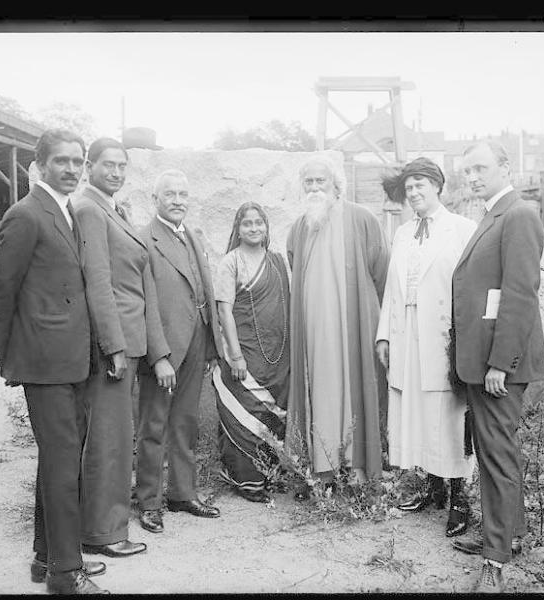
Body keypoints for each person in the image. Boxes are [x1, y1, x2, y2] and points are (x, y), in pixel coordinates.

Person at [0, 129, 109, 594]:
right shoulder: (26, 214)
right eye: (62, 161)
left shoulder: (66, 210)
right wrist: (8, 356)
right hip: (45, 365)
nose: (72, 169)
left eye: (78, 161)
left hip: (73, 362)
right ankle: (65, 573)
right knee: (61, 469)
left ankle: (45, 557)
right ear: (40, 165)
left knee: (58, 464)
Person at [451, 141, 544, 593]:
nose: (472, 176)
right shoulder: (492, 214)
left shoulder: (519, 214)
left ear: (506, 167)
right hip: (483, 362)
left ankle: (495, 560)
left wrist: (499, 366)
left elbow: (520, 296)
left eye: (481, 168)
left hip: (497, 367)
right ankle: (509, 534)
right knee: (494, 455)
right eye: (466, 170)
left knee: (497, 456)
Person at [73, 138, 172, 551]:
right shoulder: (89, 210)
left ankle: (103, 527)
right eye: (107, 165)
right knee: (108, 442)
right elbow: (97, 281)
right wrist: (113, 346)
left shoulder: (114, 210)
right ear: (89, 166)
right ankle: (102, 533)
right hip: (113, 346)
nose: (116, 172)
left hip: (132, 341)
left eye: (122, 166)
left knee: (116, 437)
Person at [376, 157, 477, 537]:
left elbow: (471, 287)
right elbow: (391, 288)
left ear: (438, 187)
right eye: (409, 188)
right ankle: (431, 488)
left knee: (447, 414)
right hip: (406, 333)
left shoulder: (463, 230)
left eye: (421, 185)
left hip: (443, 336)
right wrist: (384, 334)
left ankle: (459, 499)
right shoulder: (402, 233)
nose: (414, 193)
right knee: (416, 410)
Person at [286, 156, 390, 496]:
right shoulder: (299, 228)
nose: (315, 188)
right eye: (309, 183)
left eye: (321, 182)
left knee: (356, 391)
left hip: (354, 330)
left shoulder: (362, 219)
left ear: (337, 185)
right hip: (314, 334)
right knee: (319, 394)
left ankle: (357, 469)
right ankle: (324, 471)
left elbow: (380, 273)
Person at [135, 169, 225, 527]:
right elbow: (146, 302)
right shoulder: (145, 240)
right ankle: (149, 501)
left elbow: (201, 291)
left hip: (196, 344)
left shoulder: (192, 236)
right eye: (169, 194)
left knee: (185, 424)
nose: (177, 201)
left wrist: (210, 347)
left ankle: (182, 494)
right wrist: (158, 357)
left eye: (183, 195)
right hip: (165, 352)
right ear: (155, 199)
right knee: (154, 425)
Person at [211, 202, 290, 503]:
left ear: (267, 227)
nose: (254, 228)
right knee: (246, 415)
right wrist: (235, 356)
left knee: (273, 415)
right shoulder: (230, 262)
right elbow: (225, 312)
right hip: (244, 353)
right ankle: (248, 480)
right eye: (247, 223)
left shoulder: (278, 262)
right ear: (238, 228)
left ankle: (272, 475)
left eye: (259, 222)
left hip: (277, 356)